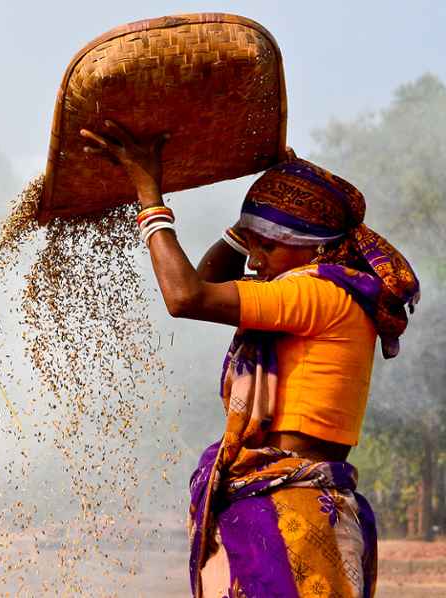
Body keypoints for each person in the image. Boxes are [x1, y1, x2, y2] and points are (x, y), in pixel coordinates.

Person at [81, 121, 419, 598]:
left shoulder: (317, 293)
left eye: (268, 245)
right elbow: (210, 278)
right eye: (253, 244)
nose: (255, 259)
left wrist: (149, 195)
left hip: (293, 509)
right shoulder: (311, 288)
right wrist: (253, 225)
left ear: (312, 244)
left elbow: (185, 295)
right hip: (277, 502)